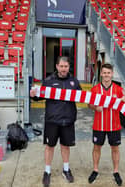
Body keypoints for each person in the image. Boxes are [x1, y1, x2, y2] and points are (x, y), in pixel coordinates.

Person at [30, 56, 81, 187]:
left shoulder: (74, 81)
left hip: (68, 120)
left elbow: (81, 96)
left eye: (66, 66)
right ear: (57, 66)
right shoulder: (48, 81)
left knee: (65, 146)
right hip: (52, 121)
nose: (64, 69)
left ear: (69, 67)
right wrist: (33, 94)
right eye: (61, 66)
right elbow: (38, 97)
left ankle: (66, 170)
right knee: (49, 146)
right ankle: (47, 172)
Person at [88, 63, 125, 186]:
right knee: (96, 148)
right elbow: (89, 104)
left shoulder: (118, 89)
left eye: (108, 73)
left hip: (114, 125)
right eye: (104, 72)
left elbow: (124, 106)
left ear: (112, 74)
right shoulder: (95, 89)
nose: (106, 75)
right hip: (99, 125)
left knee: (115, 149)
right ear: (101, 74)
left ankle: (116, 171)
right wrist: (95, 108)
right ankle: (95, 170)